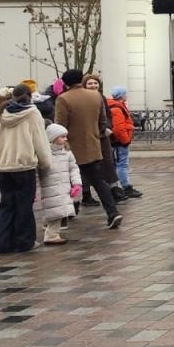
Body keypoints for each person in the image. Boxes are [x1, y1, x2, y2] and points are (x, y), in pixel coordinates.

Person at [55, 70, 122, 230]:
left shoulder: (63, 99)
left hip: (70, 148)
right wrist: (95, 135)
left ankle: (65, 216)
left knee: (66, 181)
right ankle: (112, 212)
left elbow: (60, 127)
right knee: (99, 181)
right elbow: (102, 122)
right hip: (93, 145)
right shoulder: (96, 96)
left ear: (65, 83)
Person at [0, 84, 53, 253]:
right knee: (24, 204)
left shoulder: (1, 111)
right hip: (23, 165)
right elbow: (39, 140)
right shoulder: (32, 112)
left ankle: (2, 242)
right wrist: (45, 163)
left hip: (3, 165)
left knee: (6, 204)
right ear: (29, 95)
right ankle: (24, 241)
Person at [36, 123, 81, 245]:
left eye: (65, 136)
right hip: (49, 188)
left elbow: (74, 168)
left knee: (58, 212)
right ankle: (51, 235)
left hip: (64, 187)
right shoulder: (45, 154)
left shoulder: (67, 152)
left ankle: (50, 231)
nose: (65, 139)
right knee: (55, 212)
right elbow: (37, 173)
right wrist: (35, 191)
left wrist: (76, 183)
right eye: (62, 136)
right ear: (53, 138)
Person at [106, 87, 141, 198]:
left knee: (118, 164)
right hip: (120, 142)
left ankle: (119, 188)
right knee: (122, 165)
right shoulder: (117, 108)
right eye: (126, 94)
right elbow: (118, 128)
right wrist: (125, 140)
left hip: (117, 141)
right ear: (122, 95)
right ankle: (126, 187)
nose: (127, 95)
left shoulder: (115, 105)